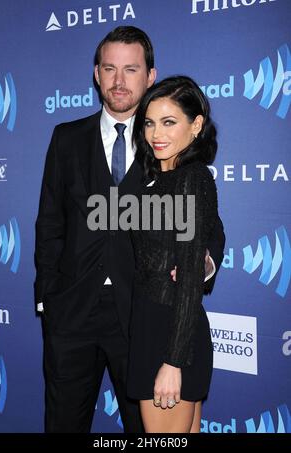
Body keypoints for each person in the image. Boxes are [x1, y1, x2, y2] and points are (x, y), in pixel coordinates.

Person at [34, 26, 225, 433]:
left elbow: (209, 226)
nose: (119, 81)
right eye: (109, 68)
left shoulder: (167, 144)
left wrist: (200, 264)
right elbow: (50, 222)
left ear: (150, 76)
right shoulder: (66, 139)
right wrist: (47, 299)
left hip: (142, 315)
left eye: (131, 69)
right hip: (71, 315)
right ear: (97, 74)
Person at [127, 75, 220, 433]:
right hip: (153, 326)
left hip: (169, 334)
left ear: (196, 126)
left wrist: (173, 361)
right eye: (149, 122)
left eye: (169, 122)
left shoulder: (191, 179)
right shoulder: (158, 178)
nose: (155, 134)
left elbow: (190, 276)